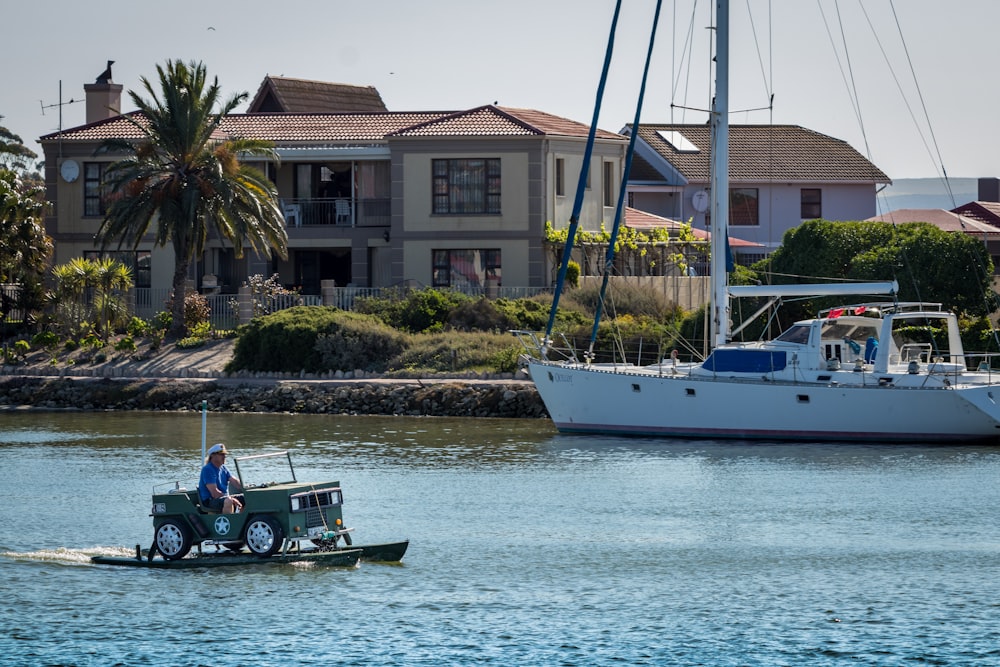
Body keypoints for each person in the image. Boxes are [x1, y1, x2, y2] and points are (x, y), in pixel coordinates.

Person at [198, 443, 244, 513]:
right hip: (210, 500)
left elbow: (234, 482)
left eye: (225, 454)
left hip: (224, 498)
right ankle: (230, 522)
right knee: (229, 501)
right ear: (213, 456)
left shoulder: (223, 468)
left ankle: (244, 521)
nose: (224, 457)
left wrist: (246, 489)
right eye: (221, 454)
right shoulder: (208, 469)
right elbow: (214, 493)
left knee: (246, 498)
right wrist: (231, 499)